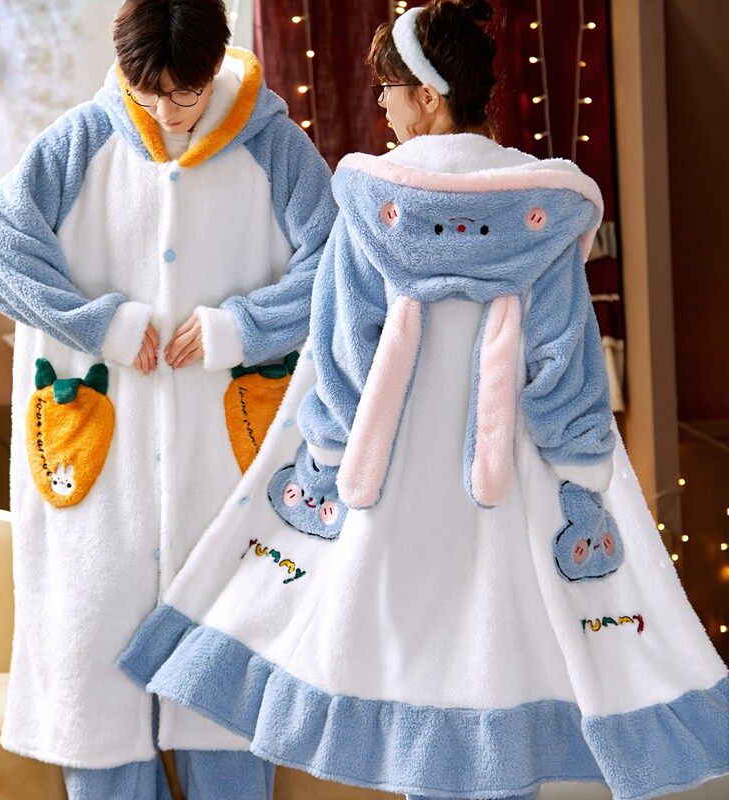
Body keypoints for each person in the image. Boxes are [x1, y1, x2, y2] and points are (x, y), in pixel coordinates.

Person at [118, 1, 729, 799]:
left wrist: (329, 451)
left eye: (390, 89)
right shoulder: (541, 210)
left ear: (430, 96)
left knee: (408, 660)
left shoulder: (371, 203)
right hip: (505, 484)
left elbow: (342, 353)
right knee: (496, 654)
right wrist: (580, 470)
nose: (381, 105)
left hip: (393, 481)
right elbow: (563, 366)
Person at [0, 0, 336, 797]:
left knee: (227, 705)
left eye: (185, 95)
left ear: (215, 66)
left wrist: (244, 327)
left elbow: (337, 267)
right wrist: (98, 324)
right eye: (148, 93)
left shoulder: (275, 147)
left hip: (225, 468)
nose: (167, 113)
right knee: (99, 708)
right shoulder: (80, 140)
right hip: (107, 476)